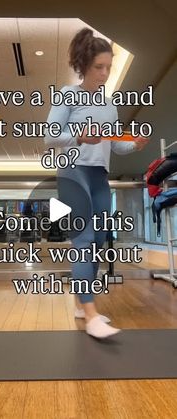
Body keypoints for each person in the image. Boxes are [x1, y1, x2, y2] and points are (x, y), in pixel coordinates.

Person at [44, 28, 149, 339]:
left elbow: (115, 144)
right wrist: (78, 136)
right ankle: (91, 316)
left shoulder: (109, 105)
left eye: (108, 67)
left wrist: (134, 144)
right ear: (84, 66)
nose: (104, 73)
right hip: (73, 171)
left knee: (100, 241)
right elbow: (50, 137)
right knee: (84, 241)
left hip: (99, 174)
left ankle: (81, 305)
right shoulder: (67, 94)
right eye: (98, 67)